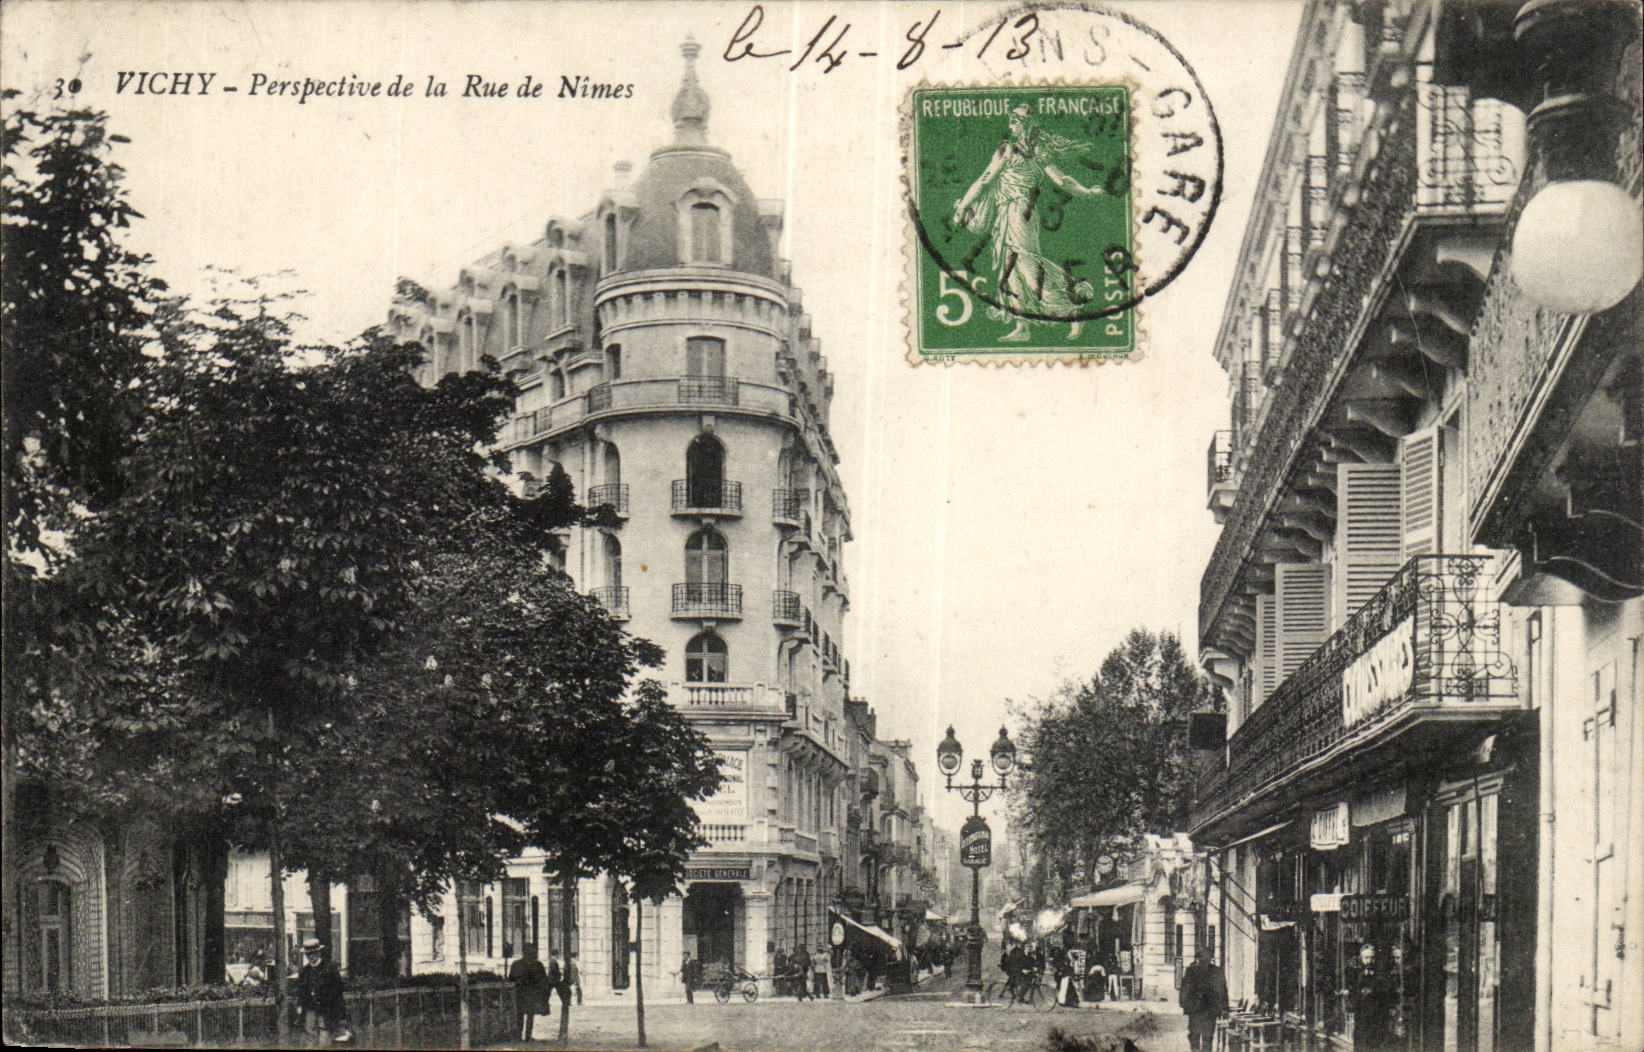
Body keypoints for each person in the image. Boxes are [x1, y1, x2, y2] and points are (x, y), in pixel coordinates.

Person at [952, 103, 1107, 343]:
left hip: (1020, 212)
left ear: (1027, 125)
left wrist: (1086, 192)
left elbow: (1061, 180)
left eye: (1016, 121)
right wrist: (964, 206)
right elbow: (985, 179)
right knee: (1010, 270)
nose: (1011, 125)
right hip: (1006, 213)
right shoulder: (1011, 149)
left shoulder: (1032, 151)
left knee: (1026, 265)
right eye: (1011, 121)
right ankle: (1022, 326)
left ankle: (1071, 308)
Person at [1345, 943, 1400, 1052]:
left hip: (1377, 1019)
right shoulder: (1355, 973)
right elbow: (1352, 994)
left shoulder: (1381, 975)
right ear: (1361, 958)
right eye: (1366, 958)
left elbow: (1387, 994)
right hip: (1361, 1019)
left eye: (1372, 958)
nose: (1369, 961)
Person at [295, 938, 348, 1048]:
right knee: (309, 1036)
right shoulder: (304, 971)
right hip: (310, 1008)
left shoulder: (330, 969)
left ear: (319, 953)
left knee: (325, 1037)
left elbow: (338, 991)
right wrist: (300, 1005)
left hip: (326, 1009)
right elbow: (301, 990)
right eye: (308, 954)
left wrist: (337, 1009)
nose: (311, 957)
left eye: (314, 953)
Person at [1179, 948, 1229, 1052]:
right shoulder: (1193, 971)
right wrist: (1224, 1008)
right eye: (1203, 958)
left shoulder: (1193, 970)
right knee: (1201, 1036)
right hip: (1202, 1010)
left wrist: (1184, 1004)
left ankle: (1197, 1049)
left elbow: (1222, 990)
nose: (1204, 960)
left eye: (1205, 958)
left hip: (1203, 1010)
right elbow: (1185, 989)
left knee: (1202, 1035)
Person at [509, 945, 551, 1042]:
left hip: (520, 994)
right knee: (529, 1015)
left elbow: (511, 979)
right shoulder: (537, 965)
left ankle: (519, 1036)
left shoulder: (516, 964)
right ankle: (527, 1036)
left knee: (520, 1015)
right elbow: (543, 980)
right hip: (531, 994)